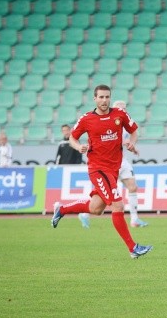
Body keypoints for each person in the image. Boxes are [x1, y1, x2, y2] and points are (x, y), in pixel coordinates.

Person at [51, 85, 152, 259]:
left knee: (96, 208)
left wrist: (131, 142)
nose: (104, 101)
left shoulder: (119, 114)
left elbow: (134, 130)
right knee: (117, 205)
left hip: (114, 168)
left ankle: (62, 210)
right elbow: (72, 137)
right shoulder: (86, 119)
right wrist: (78, 146)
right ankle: (132, 248)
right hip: (98, 169)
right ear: (95, 99)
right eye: (101, 97)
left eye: (107, 97)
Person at [78, 101, 149, 229]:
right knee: (100, 198)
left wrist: (132, 145)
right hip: (105, 164)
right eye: (120, 108)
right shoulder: (105, 122)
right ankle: (84, 214)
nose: (123, 110)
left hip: (122, 162)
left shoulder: (125, 123)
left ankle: (134, 219)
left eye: (125, 108)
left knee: (132, 187)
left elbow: (133, 135)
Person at [55, 124, 90, 229]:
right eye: (63, 130)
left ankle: (81, 213)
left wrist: (78, 166)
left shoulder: (75, 142)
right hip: (63, 170)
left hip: (74, 171)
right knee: (65, 190)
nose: (65, 132)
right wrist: (58, 167)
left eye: (67, 130)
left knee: (76, 191)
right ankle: (74, 211)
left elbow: (79, 155)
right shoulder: (61, 143)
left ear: (70, 130)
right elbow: (58, 157)